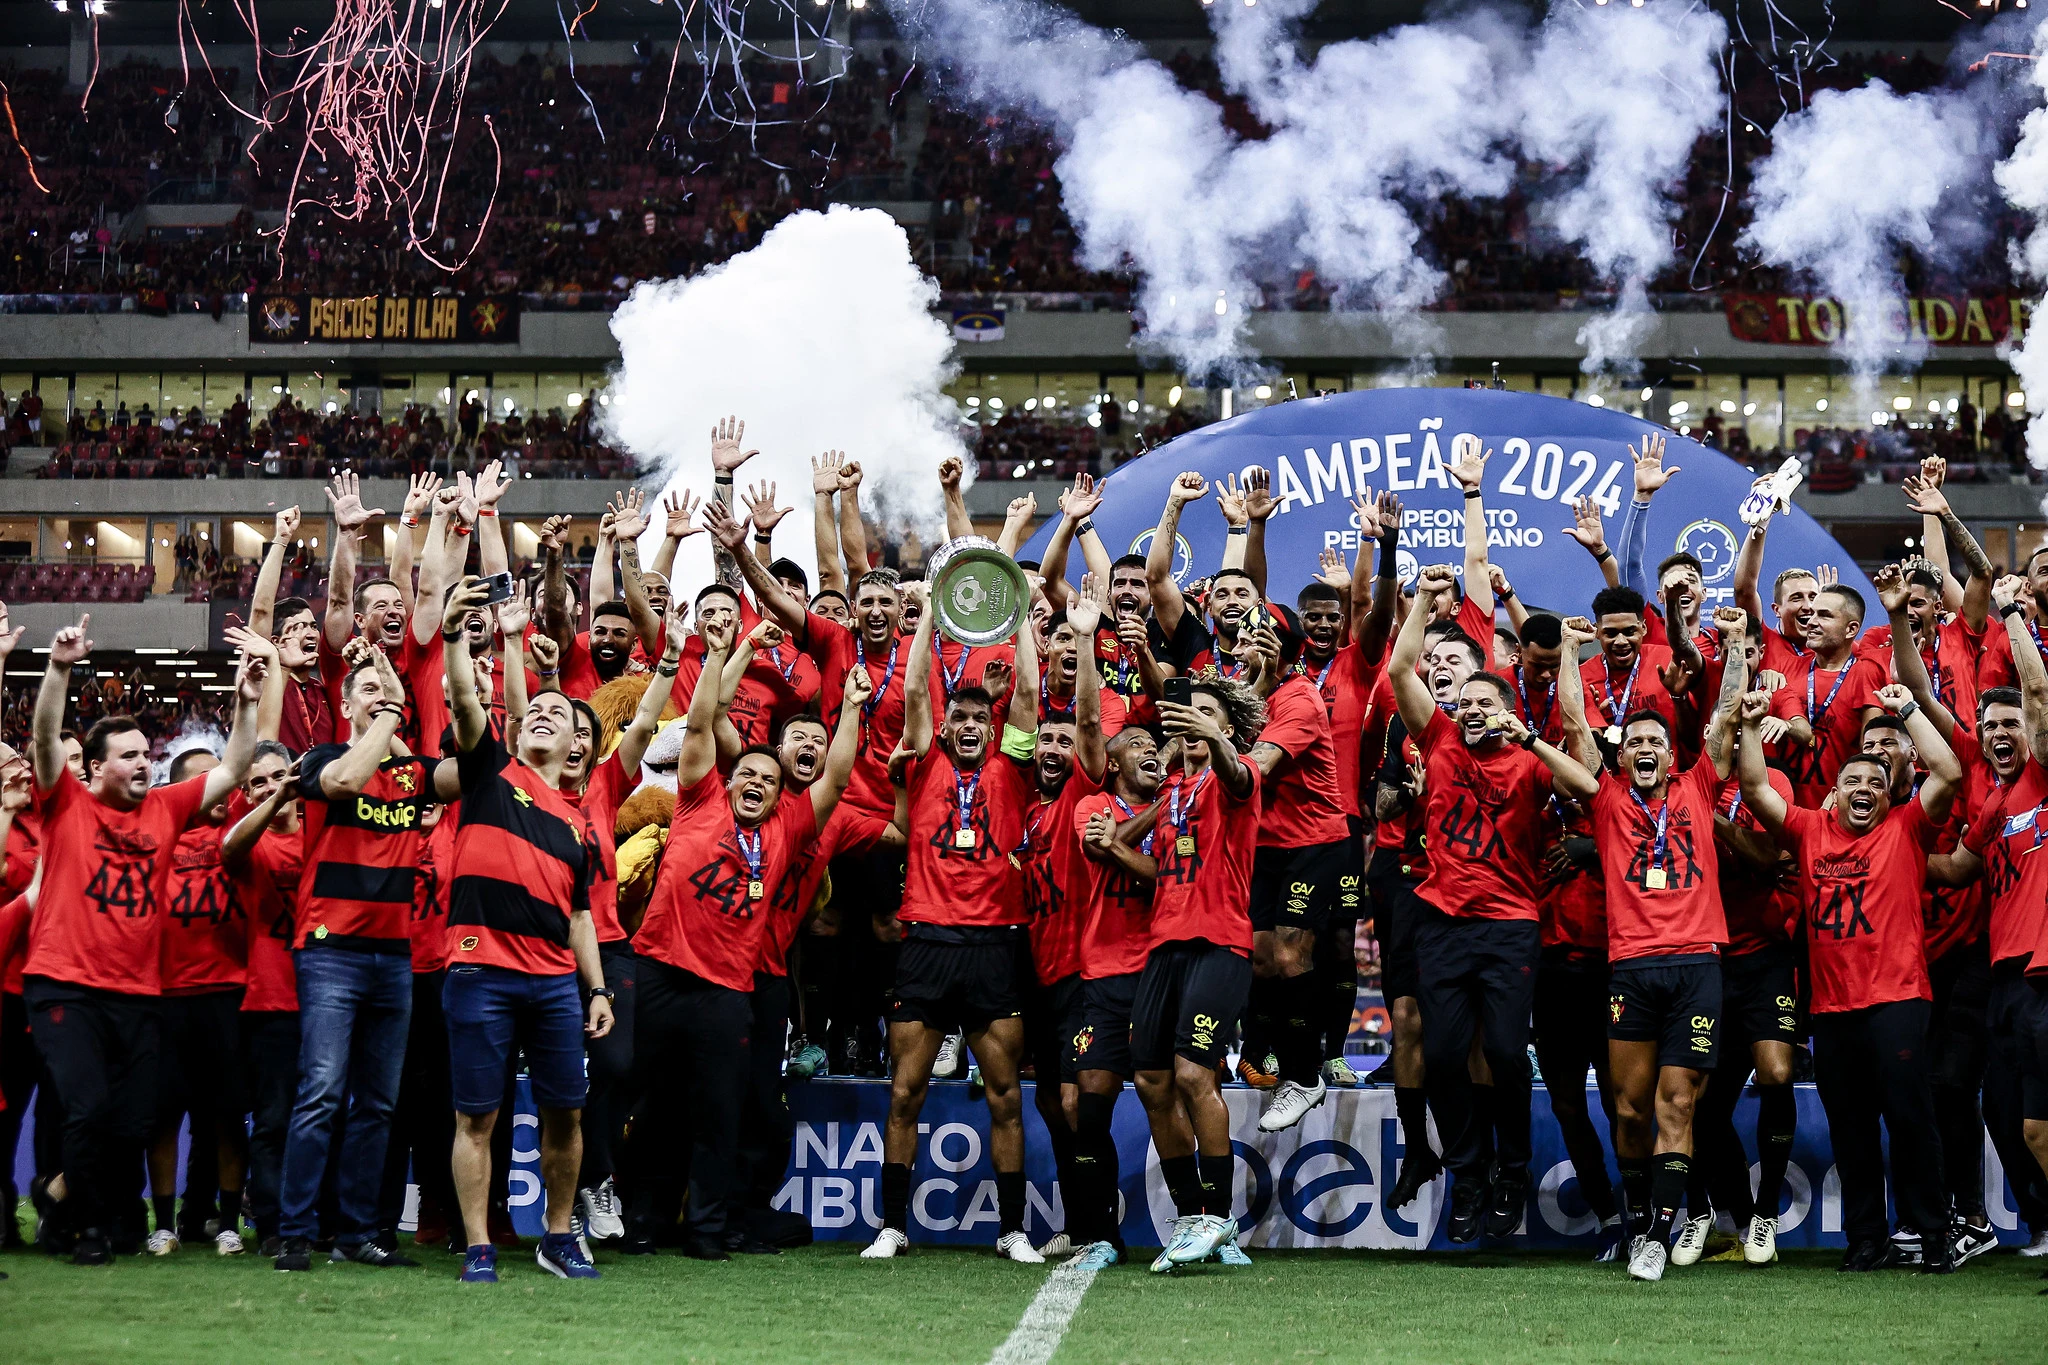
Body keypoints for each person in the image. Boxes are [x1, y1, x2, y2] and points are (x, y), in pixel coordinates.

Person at [23, 614, 263, 1265]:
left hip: (138, 991)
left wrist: (245, 704)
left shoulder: (165, 807)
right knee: (89, 1108)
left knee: (131, 1121)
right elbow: (46, 737)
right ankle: (91, 1229)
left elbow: (236, 766)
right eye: (129, 756)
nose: (143, 764)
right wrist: (60, 668)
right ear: (95, 767)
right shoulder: (67, 802)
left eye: (147, 755)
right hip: (64, 982)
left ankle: (60, 1191)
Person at [631, 606, 860, 1258]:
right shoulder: (699, 796)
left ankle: (707, 1229)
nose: (757, 782)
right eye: (748, 774)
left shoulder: (789, 825)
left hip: (726, 988)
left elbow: (838, 774)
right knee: (654, 1104)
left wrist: (851, 712)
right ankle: (644, 1219)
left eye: (768, 776)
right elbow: (704, 717)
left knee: (719, 1114)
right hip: (659, 969)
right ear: (725, 780)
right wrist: (732, 651)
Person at [1390, 564, 1598, 1245]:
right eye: (1467, 701)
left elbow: (1590, 785)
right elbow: (1399, 672)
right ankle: (1469, 1173)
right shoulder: (1441, 738)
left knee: (1507, 1053)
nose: (1473, 709)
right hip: (1443, 923)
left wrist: (1528, 734)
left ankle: (1513, 1166)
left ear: (1504, 707)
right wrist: (1422, 601)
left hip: (1510, 925)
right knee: (1446, 1057)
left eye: (1487, 701)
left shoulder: (1527, 760)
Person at [1737, 680, 1960, 1273]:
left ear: (1890, 794)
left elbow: (1950, 775)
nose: (1864, 790)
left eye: (1875, 783)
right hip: (1833, 1009)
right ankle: (1866, 1239)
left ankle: (1934, 1234)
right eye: (1852, 783)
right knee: (1852, 1128)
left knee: (1911, 1119)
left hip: (1898, 1001)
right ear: (1833, 795)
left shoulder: (1907, 830)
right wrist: (1749, 723)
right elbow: (1755, 785)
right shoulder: (1811, 830)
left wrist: (1908, 709)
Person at [432, 575, 615, 1283]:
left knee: (568, 1115)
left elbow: (579, 915)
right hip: (480, 972)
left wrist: (596, 989)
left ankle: (558, 1235)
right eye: (531, 707)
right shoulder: (488, 772)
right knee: (477, 1118)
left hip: (552, 983)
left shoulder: (576, 821)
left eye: (556, 712)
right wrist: (455, 636)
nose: (541, 713)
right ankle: (480, 1243)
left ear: (577, 740)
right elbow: (466, 697)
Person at [862, 581, 1045, 1262]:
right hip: (927, 939)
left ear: (991, 727)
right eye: (959, 717)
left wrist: (1021, 612)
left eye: (979, 718)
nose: (969, 726)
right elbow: (913, 695)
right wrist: (928, 619)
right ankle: (892, 1226)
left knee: (1003, 1095)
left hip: (995, 943)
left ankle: (1013, 1230)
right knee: (905, 1089)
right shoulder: (927, 760)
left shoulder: (1012, 768)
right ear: (946, 726)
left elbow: (1025, 693)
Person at [1562, 607, 1746, 1282]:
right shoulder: (1608, 799)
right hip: (1630, 970)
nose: (1644, 748)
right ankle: (1640, 1216)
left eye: (1655, 741)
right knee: (1630, 1109)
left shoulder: (1699, 785)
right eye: (1634, 740)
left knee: (1676, 1102)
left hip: (1697, 964)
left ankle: (1657, 1237)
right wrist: (1567, 650)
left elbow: (1726, 718)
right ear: (1624, 754)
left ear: (1672, 755)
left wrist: (1733, 644)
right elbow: (1577, 726)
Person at [274, 639, 428, 1273]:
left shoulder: (414, 774)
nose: (379, 698)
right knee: (320, 1094)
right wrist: (391, 711)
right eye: (364, 691)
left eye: (383, 691)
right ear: (343, 703)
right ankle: (294, 1230)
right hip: (331, 951)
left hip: (393, 956)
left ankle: (358, 1231)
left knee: (379, 1105)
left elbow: (462, 768)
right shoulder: (323, 757)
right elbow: (342, 781)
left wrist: (398, 709)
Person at [1124, 668, 1268, 1271]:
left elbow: (1237, 770)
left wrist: (1219, 739)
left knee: (1192, 1074)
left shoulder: (1238, 779)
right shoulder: (1172, 794)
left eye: (1207, 715)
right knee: (1153, 1082)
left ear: (1226, 728)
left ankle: (1216, 1214)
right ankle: (1193, 1222)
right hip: (1164, 946)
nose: (1192, 724)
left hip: (1220, 944)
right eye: (1187, 716)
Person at [1241, 602, 1353, 1132]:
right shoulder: (1240, 694)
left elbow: (1256, 768)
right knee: (1262, 959)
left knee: (1290, 952)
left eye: (1262, 639)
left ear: (1284, 652)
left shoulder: (1300, 699)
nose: (1248, 645)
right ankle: (1284, 1063)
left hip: (1314, 842)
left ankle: (1305, 1074)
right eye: (1245, 637)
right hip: (1264, 845)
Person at [221, 741, 305, 1258]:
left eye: (281, 776)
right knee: (274, 1118)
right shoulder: (252, 842)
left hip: (328, 996)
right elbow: (230, 850)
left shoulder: (326, 831)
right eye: (259, 782)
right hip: (272, 1000)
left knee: (322, 1117)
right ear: (246, 794)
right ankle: (271, 1222)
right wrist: (276, 801)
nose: (271, 786)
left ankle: (317, 1218)